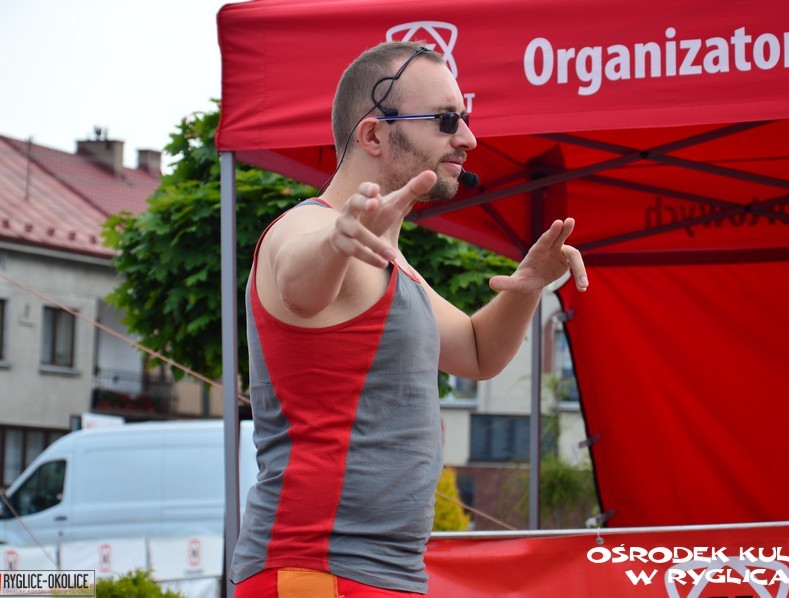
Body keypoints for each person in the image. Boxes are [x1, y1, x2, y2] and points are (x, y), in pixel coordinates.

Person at [230, 41, 589, 597]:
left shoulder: (392, 261)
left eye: (465, 119)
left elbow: (478, 353)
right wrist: (336, 243)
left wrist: (527, 286)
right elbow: (298, 287)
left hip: (376, 574)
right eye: (446, 120)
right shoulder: (307, 230)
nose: (467, 139)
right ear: (374, 135)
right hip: (317, 571)